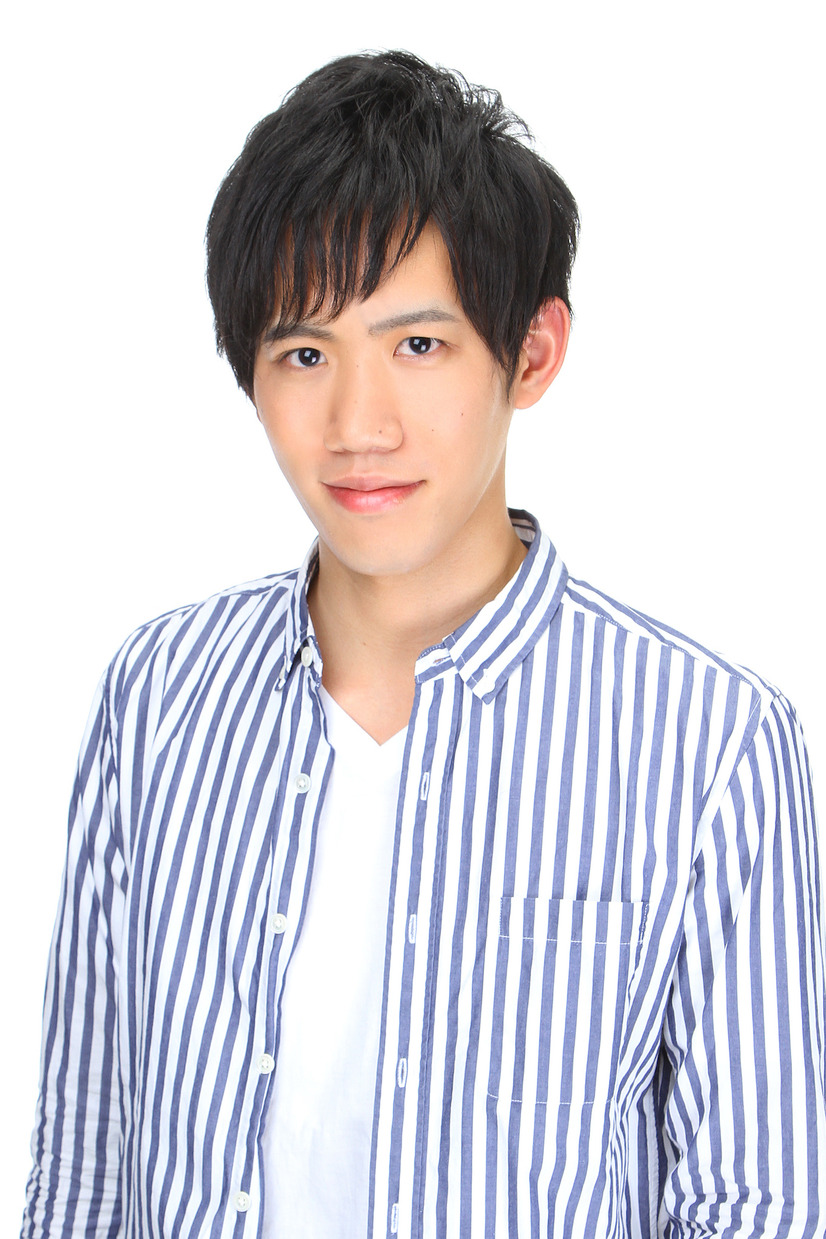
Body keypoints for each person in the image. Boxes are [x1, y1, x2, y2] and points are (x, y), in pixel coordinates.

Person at [22, 49, 825, 1239]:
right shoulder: (159, 695)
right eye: (305, 354)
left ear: (531, 353)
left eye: (417, 346)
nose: (358, 426)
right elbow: (86, 1166)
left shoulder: (708, 743)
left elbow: (757, 1205)